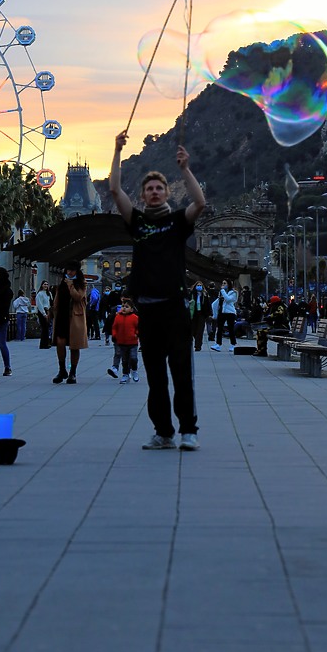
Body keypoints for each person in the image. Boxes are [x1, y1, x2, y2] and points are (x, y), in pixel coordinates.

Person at [109, 130, 206, 451]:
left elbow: (200, 202)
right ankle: (163, 432)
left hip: (176, 307)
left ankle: (188, 430)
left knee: (181, 371)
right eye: (149, 188)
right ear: (143, 195)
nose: (153, 192)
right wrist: (117, 151)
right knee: (155, 377)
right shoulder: (137, 223)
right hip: (147, 311)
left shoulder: (178, 222)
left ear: (166, 193)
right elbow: (113, 189)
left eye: (158, 188)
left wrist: (184, 169)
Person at [51, 261, 88, 384]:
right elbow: (57, 297)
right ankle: (62, 369)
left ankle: (73, 372)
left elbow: (78, 296)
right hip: (62, 316)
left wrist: (71, 284)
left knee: (74, 345)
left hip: (75, 317)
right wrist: (53, 310)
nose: (70, 272)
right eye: (68, 270)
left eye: (72, 270)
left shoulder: (81, 283)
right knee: (60, 342)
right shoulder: (62, 282)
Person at [112, 296, 140, 383]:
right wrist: (114, 335)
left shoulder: (135, 317)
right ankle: (125, 374)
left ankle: (134, 370)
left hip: (132, 342)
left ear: (131, 309)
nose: (124, 308)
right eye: (123, 306)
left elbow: (139, 327)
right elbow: (114, 327)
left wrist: (136, 334)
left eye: (127, 307)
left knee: (133, 358)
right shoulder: (118, 317)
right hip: (122, 342)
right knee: (124, 360)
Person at [210, 278, 238, 353]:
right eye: (222, 283)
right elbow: (217, 302)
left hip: (230, 312)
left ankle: (233, 344)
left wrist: (222, 291)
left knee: (231, 328)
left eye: (225, 283)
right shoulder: (221, 292)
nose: (223, 285)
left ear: (228, 284)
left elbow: (228, 300)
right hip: (222, 312)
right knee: (219, 328)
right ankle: (218, 344)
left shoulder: (233, 292)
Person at [189, 281, 208, 351]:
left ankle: (198, 345)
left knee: (200, 331)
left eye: (200, 285)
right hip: (193, 314)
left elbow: (207, 305)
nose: (199, 287)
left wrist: (208, 314)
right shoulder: (191, 294)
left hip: (201, 314)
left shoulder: (205, 294)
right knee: (193, 330)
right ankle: (196, 339)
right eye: (198, 285)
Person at [35, 280, 52, 349]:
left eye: (47, 284)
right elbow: (39, 304)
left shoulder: (49, 293)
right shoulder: (40, 294)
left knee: (47, 328)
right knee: (44, 328)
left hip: (48, 310)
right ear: (42, 285)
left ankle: (47, 343)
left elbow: (50, 302)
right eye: (44, 284)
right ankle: (43, 344)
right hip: (42, 311)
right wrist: (44, 313)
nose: (46, 286)